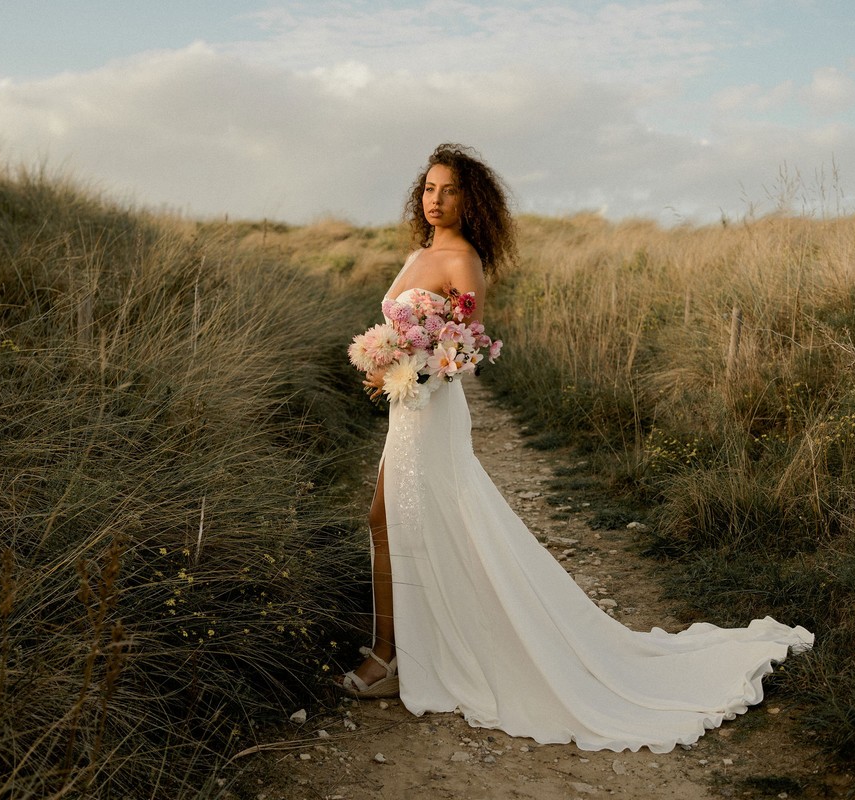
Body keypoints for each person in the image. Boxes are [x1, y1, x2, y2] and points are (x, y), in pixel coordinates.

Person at [334, 143, 814, 753]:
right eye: (429, 188)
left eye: (449, 190)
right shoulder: (420, 253)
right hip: (405, 411)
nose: (435, 200)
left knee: (405, 519)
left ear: (469, 198)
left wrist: (405, 366)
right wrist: (385, 364)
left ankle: (392, 654)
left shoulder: (464, 263)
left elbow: (462, 353)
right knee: (392, 521)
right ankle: (405, 644)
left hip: (429, 410)